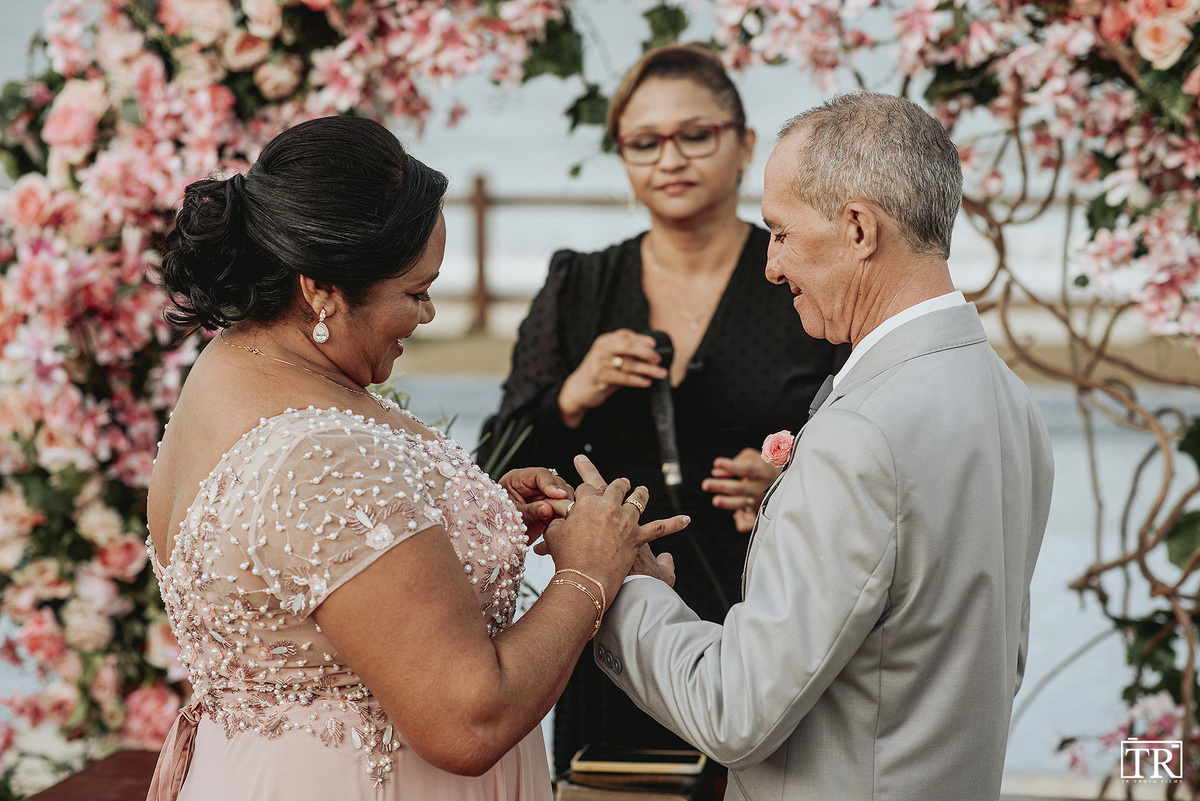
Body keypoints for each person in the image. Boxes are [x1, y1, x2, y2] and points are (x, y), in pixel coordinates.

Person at [144, 115, 688, 801]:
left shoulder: (232, 367)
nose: (428, 313)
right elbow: (468, 719)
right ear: (321, 289)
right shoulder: (321, 453)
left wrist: (477, 514)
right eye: (415, 292)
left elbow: (324, 575)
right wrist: (589, 574)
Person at [592, 91, 1055, 800]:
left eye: (780, 232)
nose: (772, 266)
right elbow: (979, 657)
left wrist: (621, 590)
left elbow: (735, 713)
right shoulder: (1006, 396)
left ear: (860, 228)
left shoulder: (860, 434)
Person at [479, 43, 846, 773]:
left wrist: (790, 482)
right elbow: (494, 461)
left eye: (695, 134)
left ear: (743, 145)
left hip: (772, 620)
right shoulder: (580, 286)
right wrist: (573, 394)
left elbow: (866, 436)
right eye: (644, 142)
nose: (669, 158)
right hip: (613, 626)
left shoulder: (797, 281)